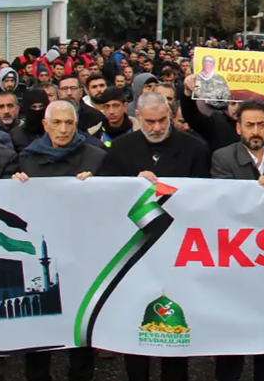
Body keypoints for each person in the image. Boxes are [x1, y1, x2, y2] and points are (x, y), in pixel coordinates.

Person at [101, 92, 210, 381]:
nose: (157, 127)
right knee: (135, 326)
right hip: (135, 252)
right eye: (150, 121)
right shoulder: (120, 149)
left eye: (163, 120)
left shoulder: (195, 148)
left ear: (172, 116)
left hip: (178, 249)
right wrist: (130, 186)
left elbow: (207, 198)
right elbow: (103, 195)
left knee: (175, 328)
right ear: (137, 118)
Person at [11, 100, 102, 381]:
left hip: (81, 252)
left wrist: (98, 186)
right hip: (42, 252)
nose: (63, 129)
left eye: (69, 123)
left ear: (77, 125)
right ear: (45, 125)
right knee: (39, 321)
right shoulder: (27, 158)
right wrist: (14, 184)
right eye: (56, 123)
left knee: (81, 321)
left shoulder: (96, 157)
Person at [208, 100, 264, 381]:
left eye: (260, 124)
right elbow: (229, 204)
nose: (255, 131)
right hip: (235, 262)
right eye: (249, 125)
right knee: (231, 345)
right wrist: (262, 191)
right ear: (238, 127)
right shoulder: (222, 158)